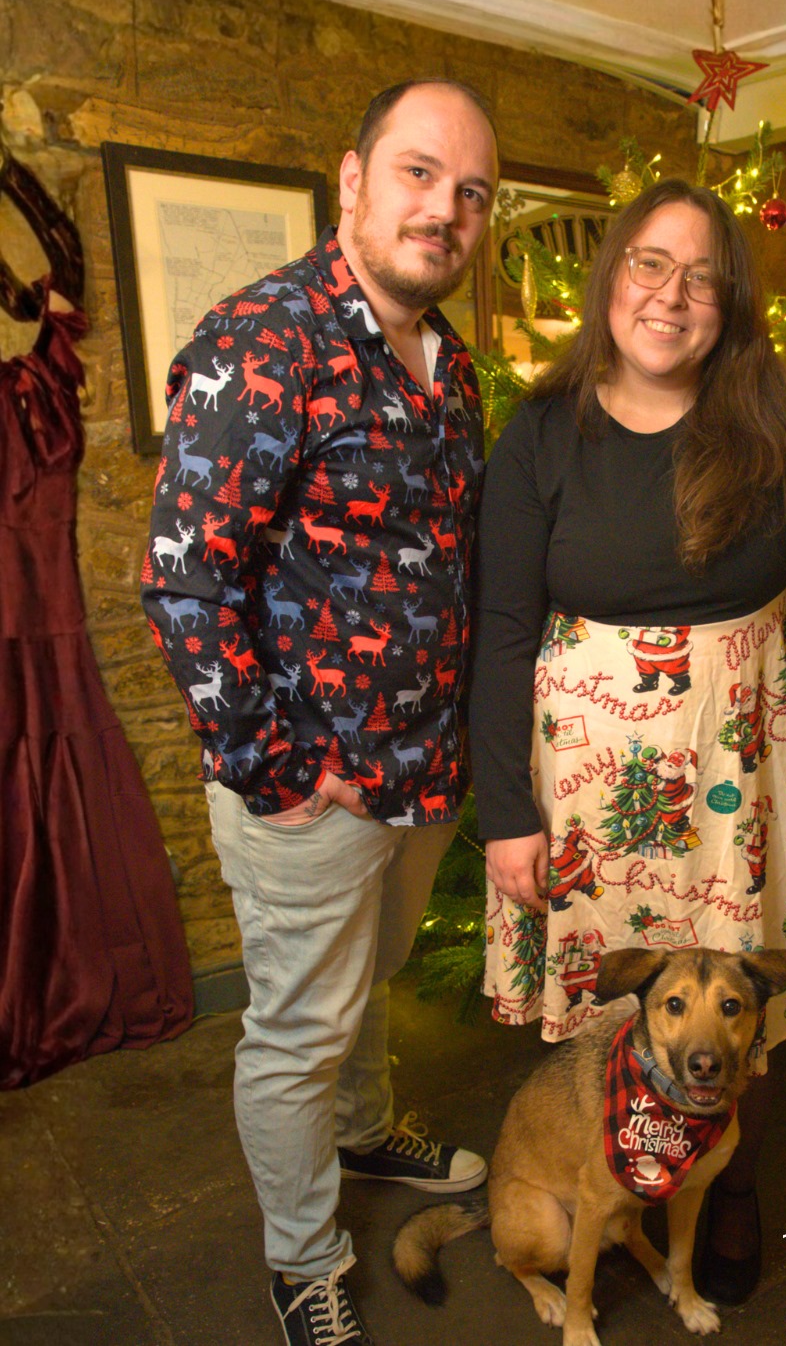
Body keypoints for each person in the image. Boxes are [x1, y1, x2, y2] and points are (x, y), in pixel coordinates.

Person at [141, 80, 499, 1346]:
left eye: (470, 192)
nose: (443, 210)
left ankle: (364, 1134)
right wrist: (276, 767)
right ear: (352, 180)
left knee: (371, 981)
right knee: (296, 1027)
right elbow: (184, 577)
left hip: (423, 776)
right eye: (418, 174)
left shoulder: (451, 363)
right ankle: (301, 1257)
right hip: (316, 791)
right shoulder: (266, 338)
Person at [469, 177, 786, 1305]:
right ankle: (615, 1179)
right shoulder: (543, 432)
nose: (671, 294)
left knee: (735, 990)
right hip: (585, 781)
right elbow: (499, 626)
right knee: (620, 1004)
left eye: (700, 274)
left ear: (728, 300)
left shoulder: (784, 422)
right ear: (612, 279)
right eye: (650, 263)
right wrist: (506, 811)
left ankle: (723, 1183)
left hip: (740, 765)